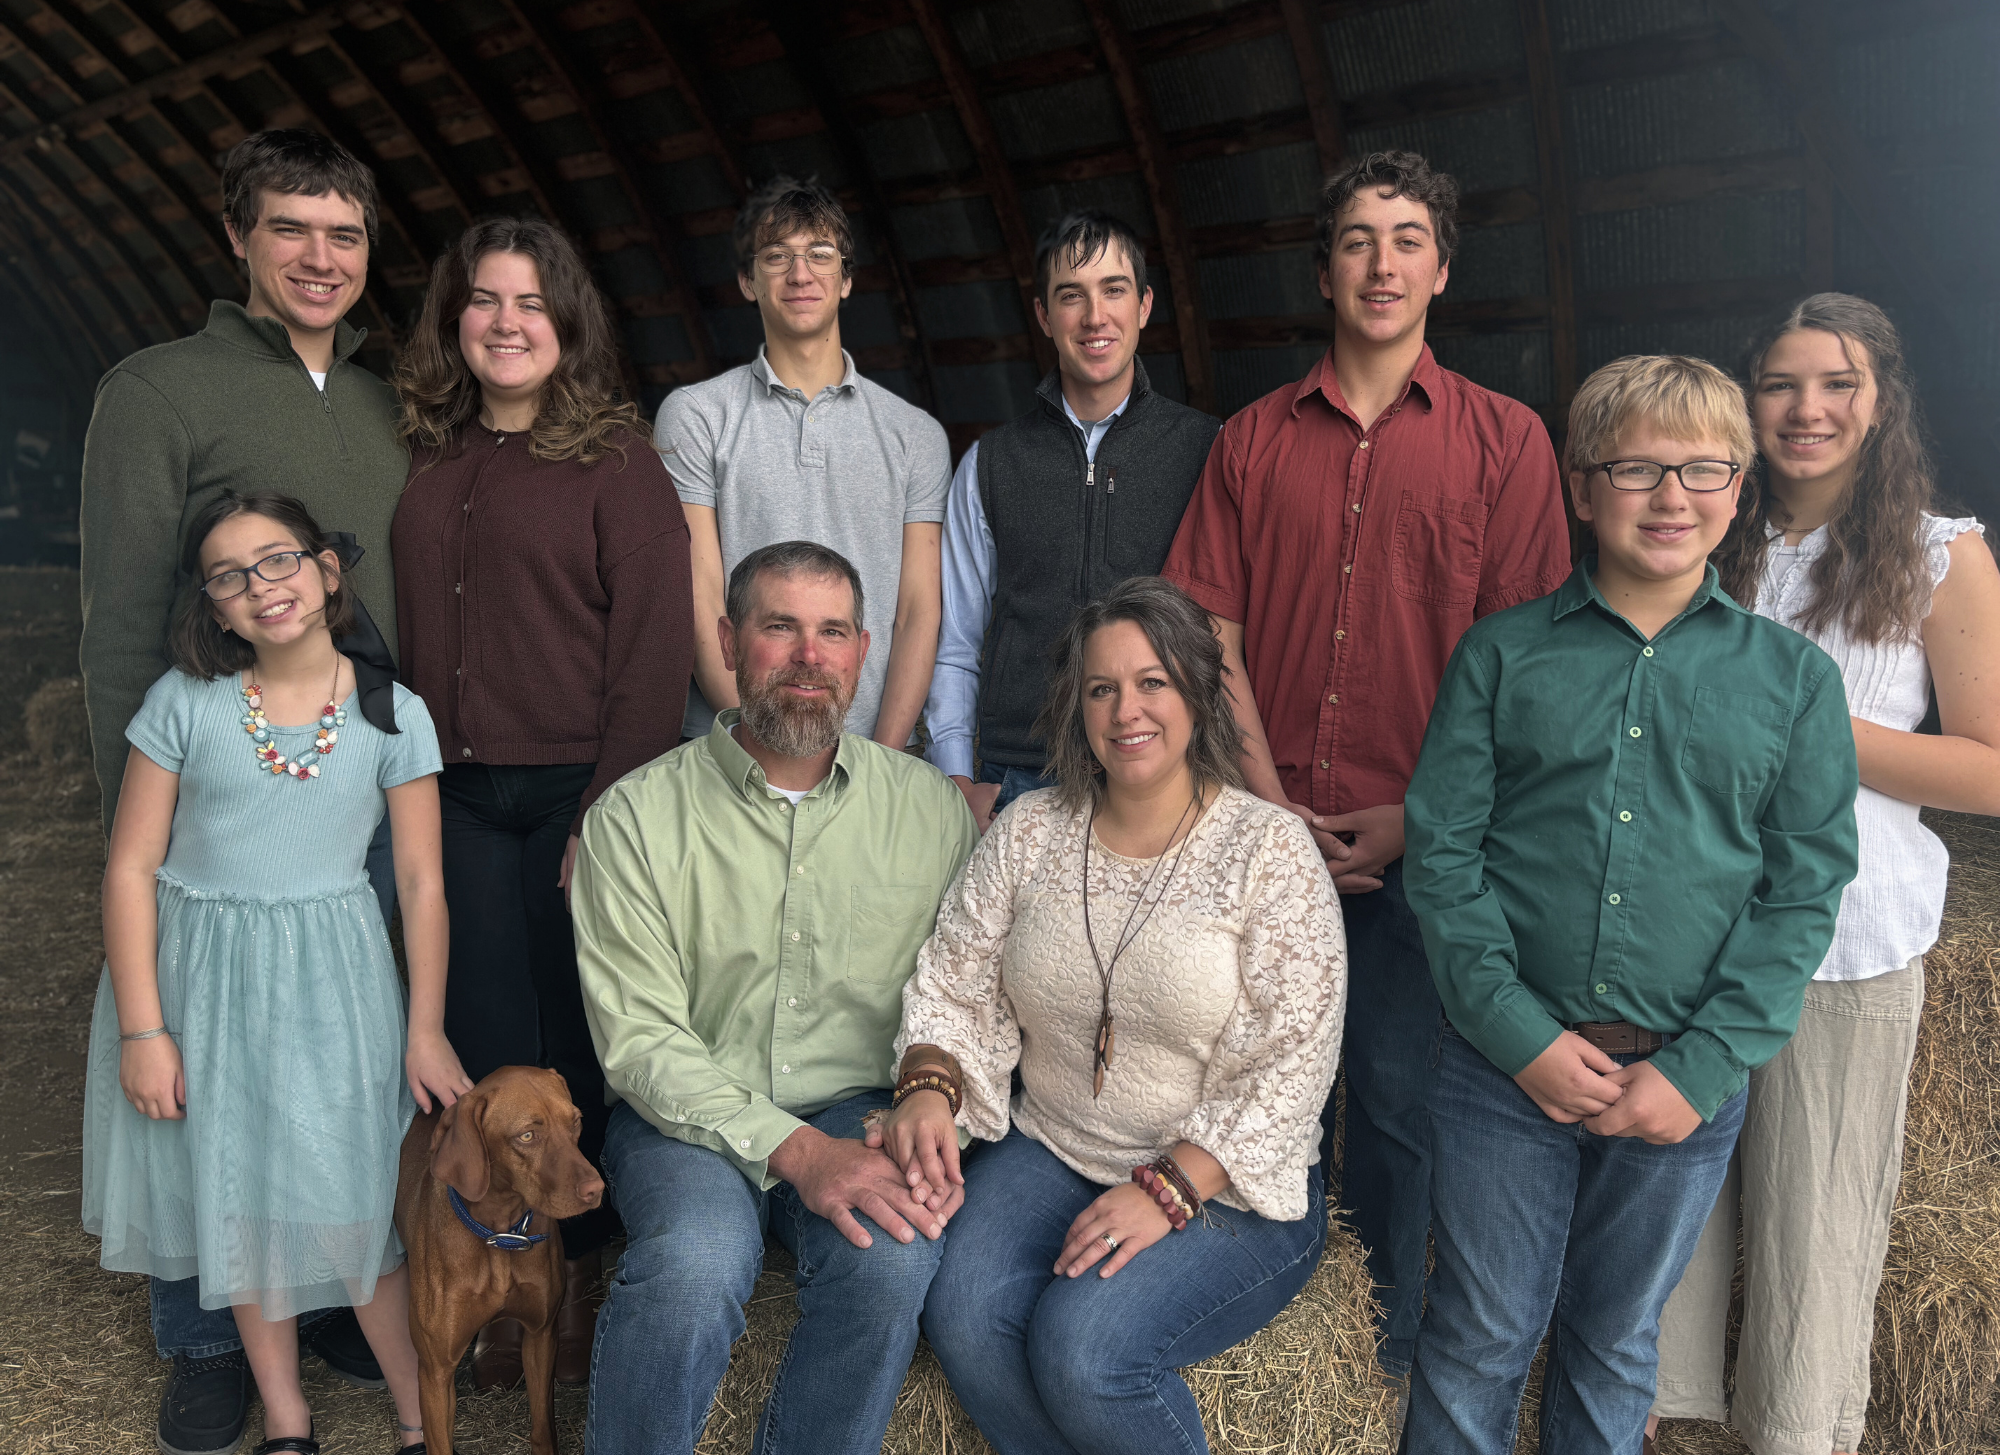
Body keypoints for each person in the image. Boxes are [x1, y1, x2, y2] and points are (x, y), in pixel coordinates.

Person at [1399, 355, 1862, 1455]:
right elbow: (1442, 858)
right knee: (1480, 1329)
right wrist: (1518, 1037)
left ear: (1739, 489)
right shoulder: (1501, 657)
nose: (1670, 497)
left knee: (1613, 1339)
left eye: (1704, 469)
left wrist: (1701, 1067)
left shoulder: (1790, 681)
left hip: (1679, 1085)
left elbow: (1802, 893)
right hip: (1500, 1073)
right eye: (1637, 468)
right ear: (1578, 487)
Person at [1159, 148, 1570, 1379]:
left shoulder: (1505, 445)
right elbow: (1204, 635)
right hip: (1256, 836)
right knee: (1229, 1089)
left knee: (1395, 1106)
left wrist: (1417, 816)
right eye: (1355, 239)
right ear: (1323, 271)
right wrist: (1269, 805)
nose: (1380, 262)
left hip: (1421, 851)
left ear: (1440, 269)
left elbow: (1521, 666)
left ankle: (1380, 1346)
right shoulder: (1248, 441)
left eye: (1405, 239)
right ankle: (1236, 1318)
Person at [76, 128, 407, 1455]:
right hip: (217, 787)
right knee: (206, 1059)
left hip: (364, 784)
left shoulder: (395, 403)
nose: (320, 257)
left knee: (334, 1049)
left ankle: (323, 1286)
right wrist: (134, 823)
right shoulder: (157, 391)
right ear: (236, 238)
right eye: (291, 229)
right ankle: (203, 1328)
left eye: (344, 234)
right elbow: (116, 625)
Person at [878, 576, 1345, 1455]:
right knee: (963, 1309)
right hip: (1055, 1144)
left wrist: (1168, 1189)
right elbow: (954, 975)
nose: (1126, 709)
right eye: (1102, 687)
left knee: (1083, 1350)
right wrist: (931, 1086)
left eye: (1152, 682)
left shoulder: (1268, 849)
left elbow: (1295, 1061)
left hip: (1227, 1185)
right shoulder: (1030, 831)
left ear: (1199, 695)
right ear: (1076, 705)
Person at [1649, 297, 2000, 1455]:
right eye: (1779, 386)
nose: (1805, 411)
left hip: (1841, 940)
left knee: (1812, 1239)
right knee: (1673, 1223)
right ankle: (1670, 1423)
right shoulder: (1699, 533)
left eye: (1835, 384)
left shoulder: (1939, 554)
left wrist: (1807, 722)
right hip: (1685, 935)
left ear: (1879, 401)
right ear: (1743, 404)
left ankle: (1794, 1437)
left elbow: (1988, 770)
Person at [571, 541, 978, 1455]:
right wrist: (799, 1152)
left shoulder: (929, 810)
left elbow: (966, 990)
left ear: (863, 651)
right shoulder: (635, 818)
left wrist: (929, 1089)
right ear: (727, 640)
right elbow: (640, 1043)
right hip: (685, 1115)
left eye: (832, 631)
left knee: (894, 1261)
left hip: (859, 1107)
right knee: (692, 1264)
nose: (809, 656)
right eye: (779, 627)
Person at [81, 491, 467, 1455]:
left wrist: (425, 1027)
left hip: (332, 986)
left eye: (280, 559)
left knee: (354, 1202)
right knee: (239, 1195)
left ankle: (422, 1418)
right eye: (231, 574)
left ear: (328, 571)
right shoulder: (185, 703)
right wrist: (143, 1028)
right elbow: (129, 868)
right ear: (214, 607)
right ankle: (287, 1418)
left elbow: (421, 884)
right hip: (201, 985)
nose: (263, 586)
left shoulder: (392, 712)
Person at [390, 215, 694, 1385]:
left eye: (529, 303)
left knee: (574, 1043)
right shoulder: (424, 447)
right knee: (476, 1041)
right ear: (453, 320)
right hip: (453, 793)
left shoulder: (618, 458)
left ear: (566, 325)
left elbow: (655, 649)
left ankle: (574, 1294)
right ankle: (481, 1277)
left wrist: (603, 819)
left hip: (577, 787)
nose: (505, 323)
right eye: (483, 302)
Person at [923, 212, 1220, 828]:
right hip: (1017, 780)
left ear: (1144, 306)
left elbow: (1232, 633)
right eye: (1071, 296)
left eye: (1113, 290)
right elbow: (956, 643)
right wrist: (957, 778)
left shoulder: (1207, 450)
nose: (1094, 317)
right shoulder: (990, 463)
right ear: (1043, 316)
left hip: (1166, 776)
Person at [655, 175, 949, 748]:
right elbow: (700, 595)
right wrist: (757, 740)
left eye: (820, 255)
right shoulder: (694, 416)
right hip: (732, 748)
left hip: (869, 747)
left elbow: (917, 611)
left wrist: (883, 761)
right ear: (747, 281)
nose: (800, 273)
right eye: (777, 257)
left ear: (846, 280)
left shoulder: (916, 435)